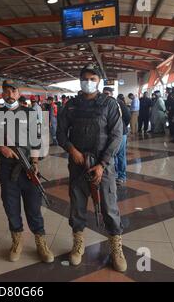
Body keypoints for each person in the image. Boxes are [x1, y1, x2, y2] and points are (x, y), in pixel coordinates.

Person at [57, 64, 127, 272]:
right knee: (77, 207)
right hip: (78, 165)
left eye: (93, 78)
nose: (89, 82)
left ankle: (116, 247)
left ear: (99, 81)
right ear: (80, 81)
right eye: (85, 78)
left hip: (102, 166)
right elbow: (60, 134)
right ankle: (78, 245)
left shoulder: (109, 104)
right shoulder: (70, 106)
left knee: (109, 208)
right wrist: (72, 151)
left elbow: (116, 136)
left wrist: (102, 164)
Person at [0, 79, 54, 263]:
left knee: (34, 208)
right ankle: (17, 242)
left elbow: (36, 141)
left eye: (13, 91)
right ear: (2, 94)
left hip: (28, 169)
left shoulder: (30, 113)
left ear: (18, 93)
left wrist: (34, 162)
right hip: (7, 170)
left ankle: (41, 243)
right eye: (6, 91)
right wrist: (1, 147)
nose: (10, 94)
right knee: (11, 208)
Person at [105, 88, 130, 185]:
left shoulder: (118, 103)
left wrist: (121, 125)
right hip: (109, 133)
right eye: (104, 94)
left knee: (120, 155)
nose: (105, 95)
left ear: (112, 94)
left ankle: (122, 176)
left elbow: (127, 116)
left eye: (107, 93)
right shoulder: (103, 104)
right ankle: (114, 174)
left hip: (121, 133)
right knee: (112, 154)